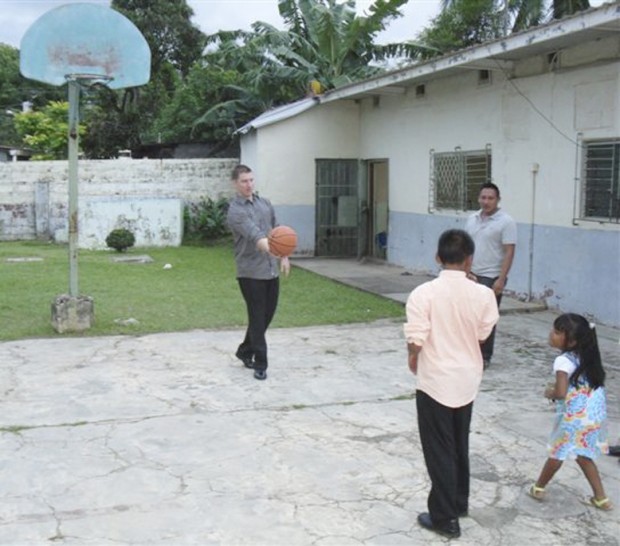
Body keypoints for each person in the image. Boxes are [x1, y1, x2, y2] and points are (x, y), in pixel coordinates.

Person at [404, 229, 499, 539]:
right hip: (467, 378)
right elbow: (483, 334)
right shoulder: (483, 294)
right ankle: (458, 502)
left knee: (439, 448)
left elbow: (416, 339)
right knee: (459, 442)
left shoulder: (423, 293)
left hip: (435, 379)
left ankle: (445, 518)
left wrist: (413, 356)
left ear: (438, 257)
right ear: (470, 260)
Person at [528, 313, 612, 511]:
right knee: (583, 455)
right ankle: (601, 498)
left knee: (557, 452)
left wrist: (549, 392)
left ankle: (539, 487)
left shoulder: (563, 361)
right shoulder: (588, 357)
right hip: (593, 416)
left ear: (572, 341)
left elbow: (560, 392)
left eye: (557, 332)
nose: (551, 334)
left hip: (574, 418)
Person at [226, 164, 290, 381]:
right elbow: (257, 237)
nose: (249, 185)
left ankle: (245, 350)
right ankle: (260, 364)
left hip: (270, 270)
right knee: (257, 316)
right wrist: (276, 249)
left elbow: (277, 231)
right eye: (244, 181)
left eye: (251, 180)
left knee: (265, 316)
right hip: (250, 272)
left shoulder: (265, 204)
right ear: (235, 183)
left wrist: (284, 255)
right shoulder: (236, 211)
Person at [465, 182, 517, 368]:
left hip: (491, 275)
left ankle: (484, 356)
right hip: (471, 274)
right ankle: (469, 352)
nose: (486, 201)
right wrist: (465, 271)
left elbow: (509, 251)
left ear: (498, 200)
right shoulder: (472, 219)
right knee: (468, 316)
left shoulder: (506, 222)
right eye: (483, 197)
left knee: (487, 318)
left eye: (490, 198)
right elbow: (467, 247)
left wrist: (501, 279)